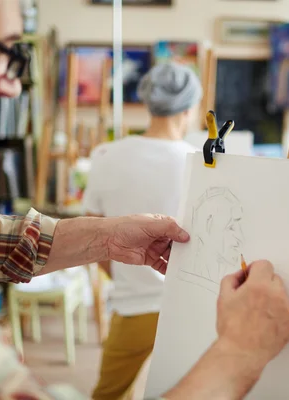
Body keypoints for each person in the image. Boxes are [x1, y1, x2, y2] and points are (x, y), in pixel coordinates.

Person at [0, 1, 289, 399]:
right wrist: (242, 352)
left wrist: (105, 238)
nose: (11, 86)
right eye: (2, 51)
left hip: (132, 309)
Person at [84, 61, 202, 400]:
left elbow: (94, 238)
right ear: (189, 108)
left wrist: (125, 277)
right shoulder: (197, 162)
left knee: (108, 394)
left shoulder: (105, 155)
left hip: (131, 305)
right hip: (186, 310)